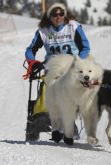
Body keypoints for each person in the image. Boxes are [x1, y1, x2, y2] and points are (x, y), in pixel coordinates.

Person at [24, 3, 90, 141]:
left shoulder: (73, 27)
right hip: (51, 68)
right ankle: (42, 117)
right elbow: (30, 50)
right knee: (47, 91)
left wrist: (78, 62)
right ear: (50, 17)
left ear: (64, 15)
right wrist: (32, 62)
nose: (58, 17)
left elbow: (85, 47)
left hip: (70, 68)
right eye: (55, 14)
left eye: (61, 14)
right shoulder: (44, 31)